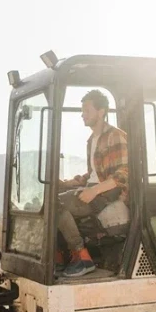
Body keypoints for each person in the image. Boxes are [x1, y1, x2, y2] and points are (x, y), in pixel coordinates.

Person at [56, 89, 129, 277]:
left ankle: (82, 257)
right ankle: (60, 257)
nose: (83, 115)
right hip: (94, 188)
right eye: (82, 111)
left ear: (101, 111)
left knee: (56, 204)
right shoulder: (92, 140)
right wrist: (71, 183)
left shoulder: (115, 136)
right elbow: (94, 174)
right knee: (47, 197)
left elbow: (124, 174)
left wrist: (94, 191)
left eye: (87, 110)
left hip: (107, 194)